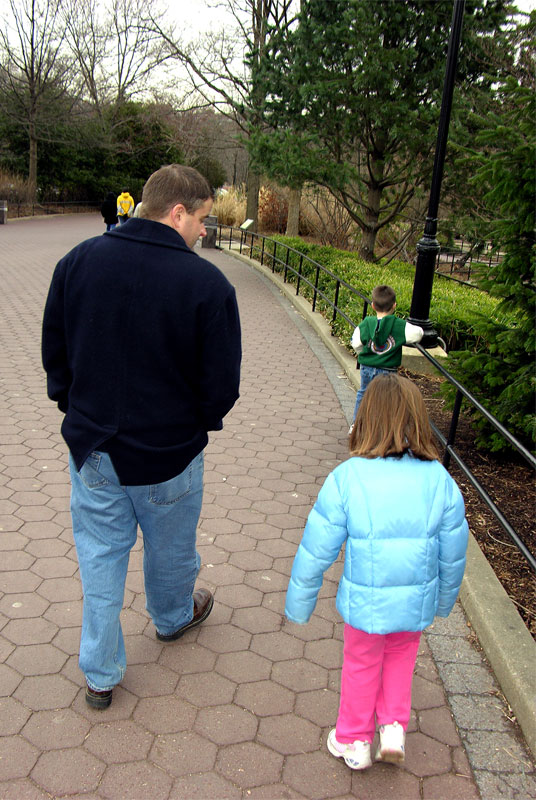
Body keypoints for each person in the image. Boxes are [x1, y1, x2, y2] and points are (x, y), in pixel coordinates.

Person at [42, 164, 242, 710]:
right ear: (177, 212)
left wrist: (76, 408)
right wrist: (193, 426)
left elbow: (54, 354)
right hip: (169, 454)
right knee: (171, 548)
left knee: (101, 556)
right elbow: (221, 385)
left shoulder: (77, 262)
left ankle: (100, 673)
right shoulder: (207, 284)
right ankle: (173, 617)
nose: (205, 231)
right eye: (202, 219)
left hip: (94, 448)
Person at [285, 373, 468, 770]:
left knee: (361, 664)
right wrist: (443, 601)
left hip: (365, 606)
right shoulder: (440, 481)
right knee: (402, 659)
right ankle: (393, 728)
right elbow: (454, 552)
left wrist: (299, 603)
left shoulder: (348, 478)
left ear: (365, 420)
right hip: (413, 605)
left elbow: (317, 549)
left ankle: (353, 741)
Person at [350, 284, 423, 428]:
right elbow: (418, 333)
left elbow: (356, 342)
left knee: (364, 393)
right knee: (387, 398)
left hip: (367, 367)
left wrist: (364, 355)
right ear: (394, 306)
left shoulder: (366, 324)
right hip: (388, 369)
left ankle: (357, 424)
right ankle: (382, 428)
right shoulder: (399, 325)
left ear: (373, 306)